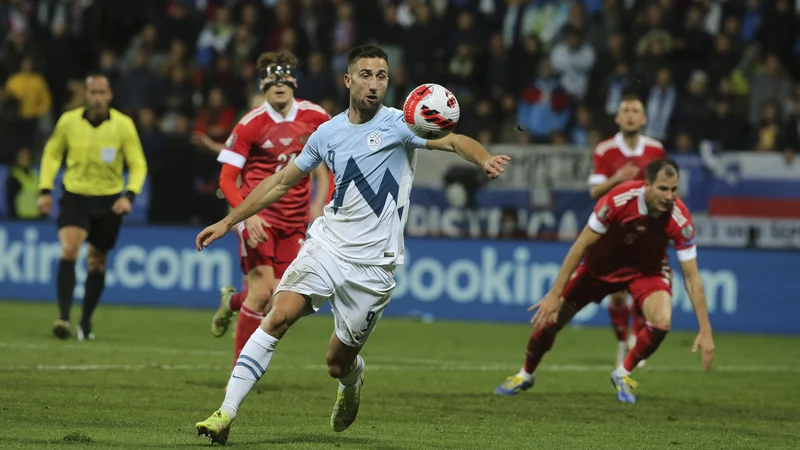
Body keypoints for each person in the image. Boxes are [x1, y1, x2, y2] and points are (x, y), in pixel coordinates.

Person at [193, 44, 510, 444]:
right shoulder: (326, 133)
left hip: (375, 266)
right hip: (329, 244)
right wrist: (227, 221)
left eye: (381, 76)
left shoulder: (402, 125)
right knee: (278, 314)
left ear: (389, 83)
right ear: (348, 80)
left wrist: (482, 159)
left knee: (337, 363)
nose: (373, 83)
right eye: (365, 74)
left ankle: (351, 383)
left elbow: (453, 140)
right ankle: (225, 413)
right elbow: (278, 182)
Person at [494, 159, 715, 403]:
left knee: (662, 322)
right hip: (598, 272)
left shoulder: (679, 218)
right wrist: (555, 294)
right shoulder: (619, 200)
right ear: (647, 184)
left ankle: (623, 372)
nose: (669, 196)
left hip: (645, 273)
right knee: (550, 322)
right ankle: (525, 374)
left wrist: (705, 329)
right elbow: (580, 245)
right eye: (663, 189)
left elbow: (692, 278)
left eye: (674, 190)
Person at [207, 51, 331, 369]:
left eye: (284, 77)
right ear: (262, 84)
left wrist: (320, 203)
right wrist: (248, 215)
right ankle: (240, 372)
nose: (279, 83)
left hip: (295, 220)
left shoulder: (317, 118)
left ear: (294, 82)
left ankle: (232, 301)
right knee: (262, 292)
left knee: (283, 300)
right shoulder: (250, 124)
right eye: (271, 78)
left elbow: (329, 168)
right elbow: (226, 178)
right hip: (258, 218)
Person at [38, 75, 147, 341]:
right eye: (93, 92)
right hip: (75, 195)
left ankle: (85, 322)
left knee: (96, 261)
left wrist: (129, 196)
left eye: (102, 92)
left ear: (110, 95)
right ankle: (63, 317)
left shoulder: (123, 125)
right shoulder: (68, 122)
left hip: (109, 200)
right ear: (86, 94)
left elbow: (137, 163)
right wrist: (45, 190)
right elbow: (52, 153)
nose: (97, 98)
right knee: (70, 248)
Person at [588, 95, 665, 367]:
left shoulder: (656, 150)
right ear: (617, 118)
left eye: (636, 111)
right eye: (626, 111)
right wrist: (617, 178)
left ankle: (635, 337)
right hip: (614, 230)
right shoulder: (605, 150)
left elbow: (663, 188)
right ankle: (623, 341)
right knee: (618, 292)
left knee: (642, 289)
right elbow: (595, 190)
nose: (631, 115)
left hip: (646, 229)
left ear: (644, 118)